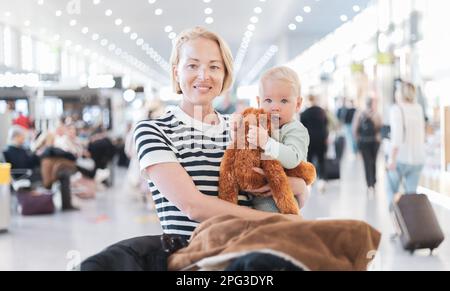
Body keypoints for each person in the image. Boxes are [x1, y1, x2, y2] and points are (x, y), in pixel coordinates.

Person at [81, 26, 308, 271]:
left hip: (256, 252)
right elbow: (193, 206)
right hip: (195, 259)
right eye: (192, 65)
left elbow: (288, 188)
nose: (204, 75)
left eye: (214, 66)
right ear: (176, 71)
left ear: (225, 74)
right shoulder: (154, 130)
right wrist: (278, 222)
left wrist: (299, 186)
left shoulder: (241, 127)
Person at [245, 66, 309, 212]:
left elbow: (293, 159)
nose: (275, 107)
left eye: (284, 101)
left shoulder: (295, 130)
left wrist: (266, 142)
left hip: (278, 201)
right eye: (268, 100)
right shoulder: (260, 124)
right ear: (258, 101)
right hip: (257, 195)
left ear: (298, 104)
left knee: (273, 226)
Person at [386, 82, 426, 202]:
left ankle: (395, 217)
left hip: (400, 158)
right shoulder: (418, 108)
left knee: (391, 191)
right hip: (418, 158)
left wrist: (391, 158)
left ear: (400, 93)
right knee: (411, 195)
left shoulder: (396, 109)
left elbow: (397, 137)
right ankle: (409, 219)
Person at [353, 98, 382, 196]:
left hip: (364, 142)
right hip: (374, 142)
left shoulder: (359, 114)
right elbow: (379, 127)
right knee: (373, 161)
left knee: (366, 162)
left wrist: (357, 141)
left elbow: (354, 129)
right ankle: (373, 181)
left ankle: (369, 184)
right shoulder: (376, 114)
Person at [301, 95, 328, 192]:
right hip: (321, 139)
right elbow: (325, 126)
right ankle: (322, 180)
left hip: (309, 140)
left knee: (310, 160)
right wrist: (326, 137)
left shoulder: (304, 113)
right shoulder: (321, 112)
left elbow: (302, 130)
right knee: (321, 160)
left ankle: (310, 182)